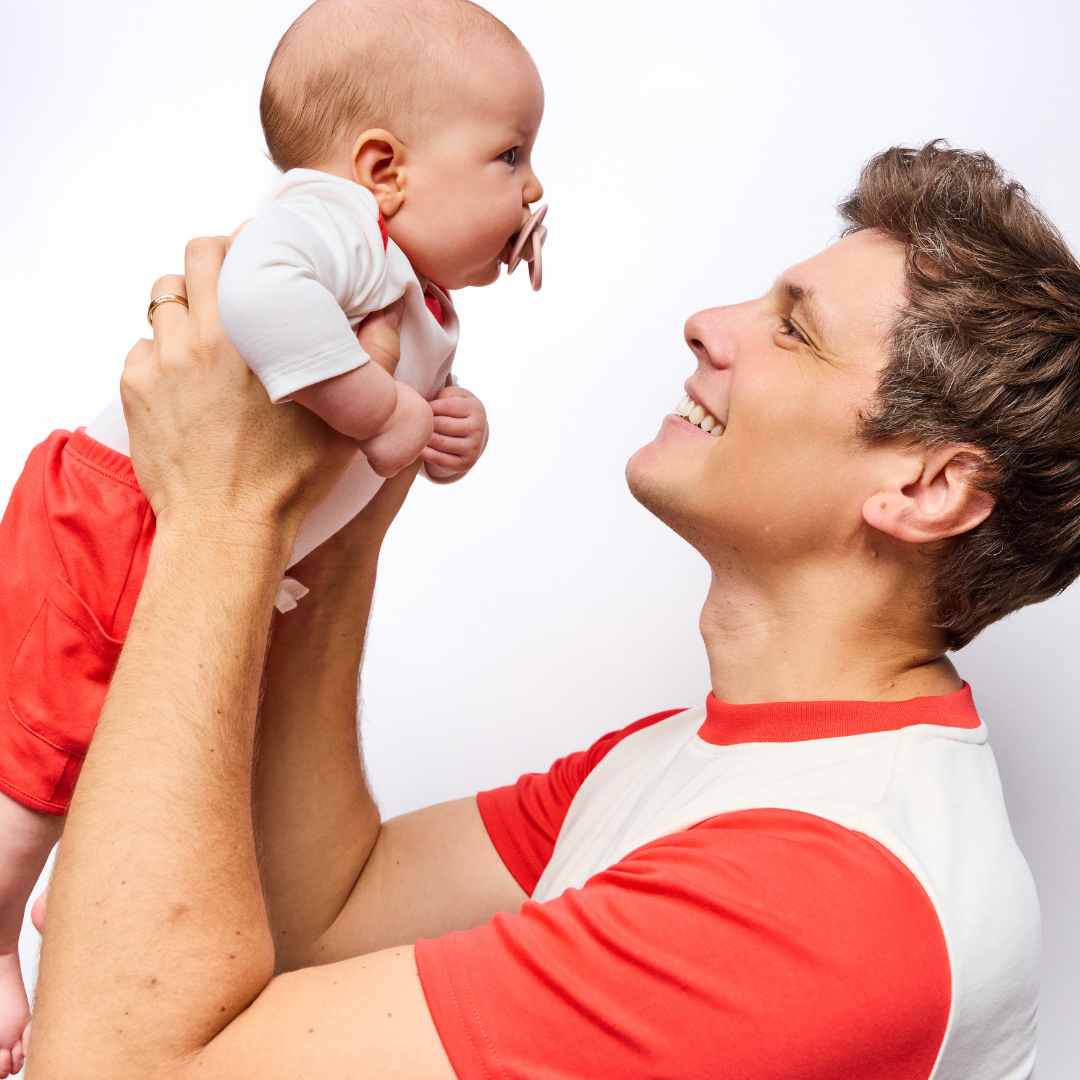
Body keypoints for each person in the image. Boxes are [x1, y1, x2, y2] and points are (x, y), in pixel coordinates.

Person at [23, 143, 1080, 1080]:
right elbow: (327, 914)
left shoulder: (829, 897)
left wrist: (218, 513)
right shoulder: (702, 763)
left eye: (793, 331)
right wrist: (343, 513)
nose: (707, 325)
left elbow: (114, 1067)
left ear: (928, 489)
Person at [0, 0, 545, 1056]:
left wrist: (446, 425)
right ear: (383, 166)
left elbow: (399, 409)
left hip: (217, 539)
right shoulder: (333, 222)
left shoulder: (424, 294)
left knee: (175, 751)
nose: (533, 189)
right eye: (510, 154)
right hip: (114, 511)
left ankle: (91, 914)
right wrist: (383, 411)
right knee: (38, 757)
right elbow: (254, 291)